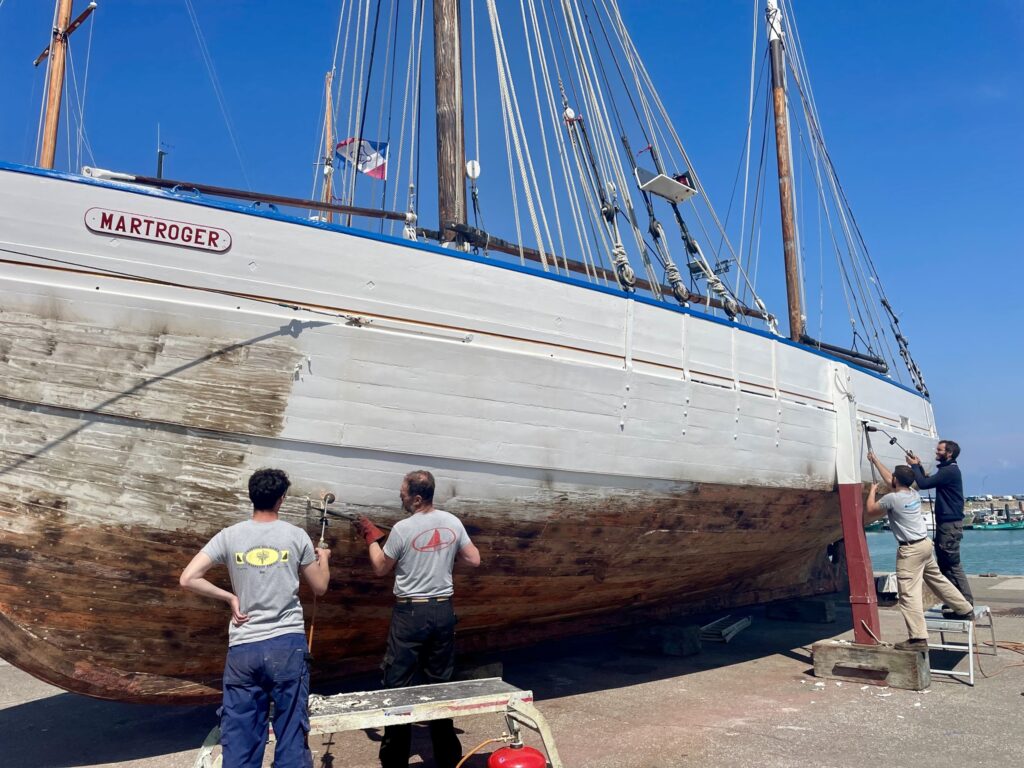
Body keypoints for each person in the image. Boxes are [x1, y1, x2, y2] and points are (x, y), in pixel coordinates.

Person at [180, 468, 331, 768]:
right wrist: (323, 560)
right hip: (287, 646)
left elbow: (188, 578)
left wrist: (230, 597)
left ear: (252, 497)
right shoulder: (296, 536)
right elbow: (320, 587)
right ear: (281, 499)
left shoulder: (229, 536)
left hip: (244, 648)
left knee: (241, 741)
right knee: (291, 733)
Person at [353, 469, 481, 768]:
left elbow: (380, 568)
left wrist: (371, 537)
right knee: (440, 684)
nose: (400, 497)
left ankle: (395, 762)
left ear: (417, 498)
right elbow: (474, 559)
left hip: (411, 614)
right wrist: (443, 556)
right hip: (443, 611)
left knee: (398, 686)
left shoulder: (402, 529)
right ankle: (448, 760)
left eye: (403, 494)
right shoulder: (452, 522)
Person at [865, 465, 973, 651]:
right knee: (937, 579)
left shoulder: (891, 498)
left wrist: (872, 491)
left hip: (910, 551)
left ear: (895, 480)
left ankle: (918, 638)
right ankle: (964, 608)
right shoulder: (913, 494)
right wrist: (875, 461)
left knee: (908, 595)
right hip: (924, 545)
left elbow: (870, 510)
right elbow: (893, 481)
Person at [870, 440, 972, 605]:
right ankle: (957, 603)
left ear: (949, 453)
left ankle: (966, 602)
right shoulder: (947, 471)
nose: (936, 452)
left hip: (949, 525)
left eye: (939, 450)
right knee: (944, 565)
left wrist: (914, 466)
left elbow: (923, 484)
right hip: (947, 524)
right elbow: (926, 480)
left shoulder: (949, 471)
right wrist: (918, 466)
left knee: (952, 565)